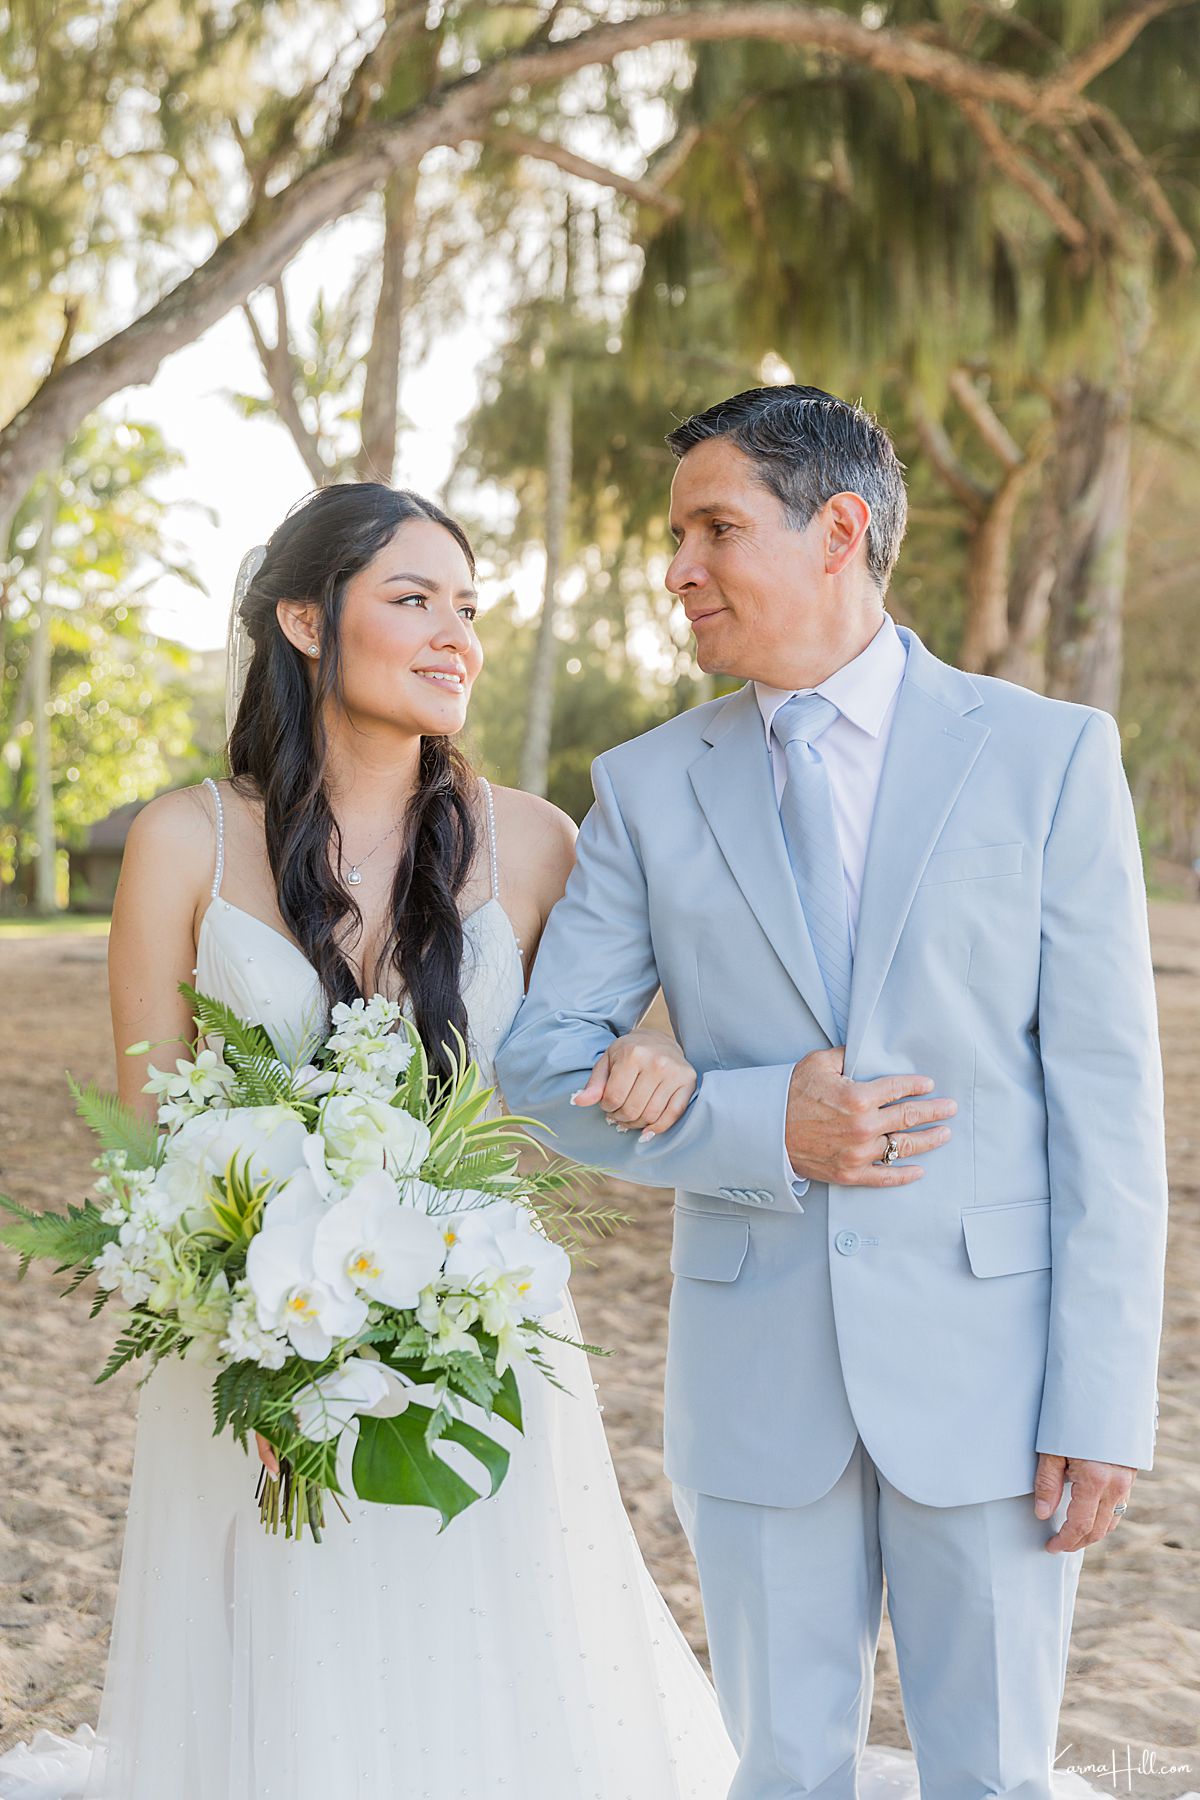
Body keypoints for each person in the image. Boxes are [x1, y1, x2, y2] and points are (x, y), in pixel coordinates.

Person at [0, 483, 735, 1800]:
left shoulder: (540, 844)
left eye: (467, 608)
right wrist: (257, 1341)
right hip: (259, 1347)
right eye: (411, 600)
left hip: (485, 1336)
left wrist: (653, 1054)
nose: (454, 634)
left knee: (501, 1681)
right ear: (301, 618)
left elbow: (631, 1054)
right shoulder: (185, 844)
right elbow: (144, 1133)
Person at [496, 385, 1169, 1800]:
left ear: (839, 529)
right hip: (757, 1385)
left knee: (994, 1775)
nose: (679, 569)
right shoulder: (647, 786)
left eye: (715, 528)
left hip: (997, 1378)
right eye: (677, 535)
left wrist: (1101, 1394)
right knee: (786, 1770)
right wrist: (756, 1125)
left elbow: (1108, 1102)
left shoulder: (1048, 756)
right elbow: (542, 1076)